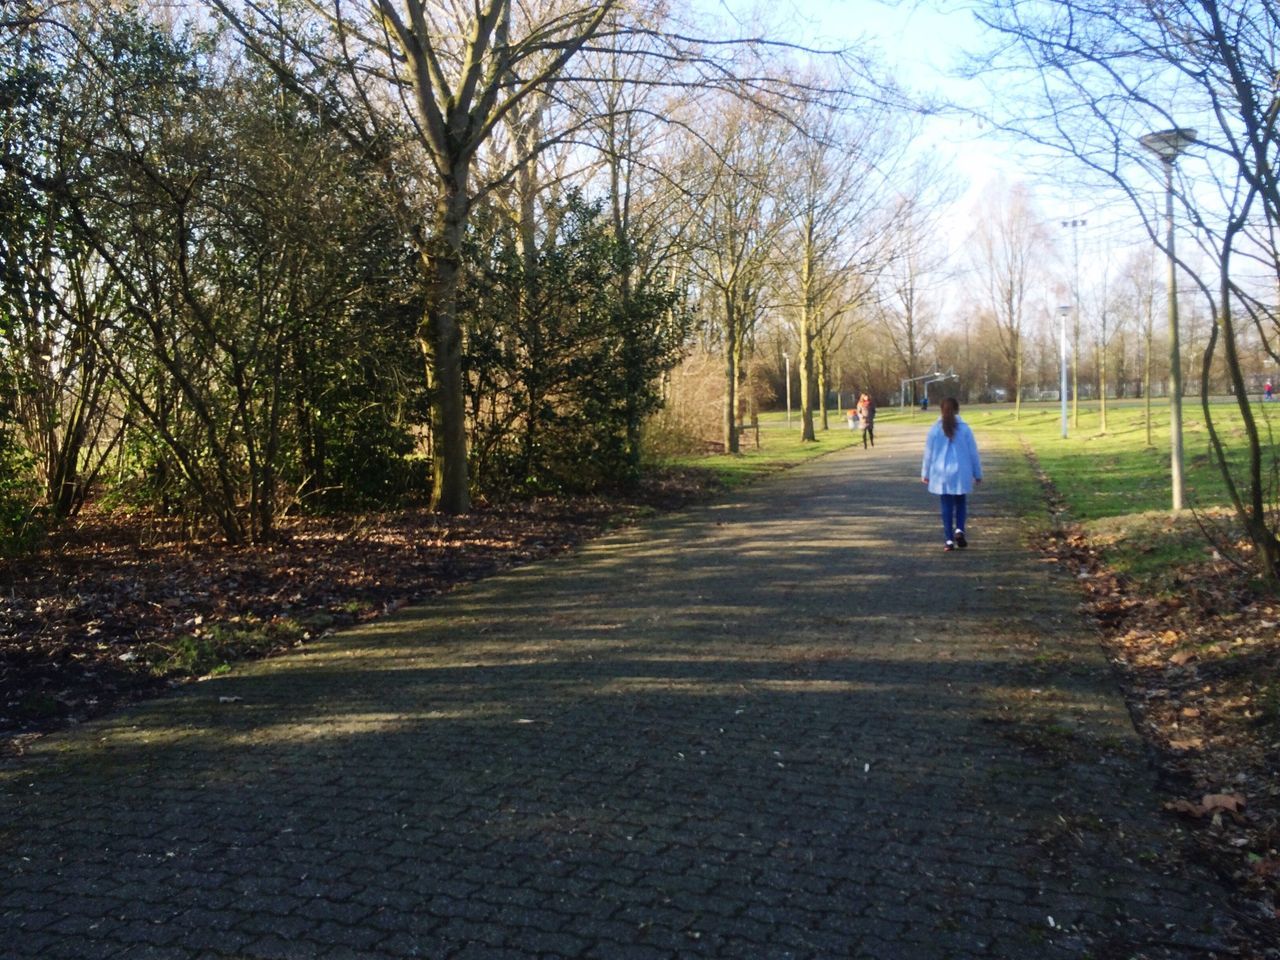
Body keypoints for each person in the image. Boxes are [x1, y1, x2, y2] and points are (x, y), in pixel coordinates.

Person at [921, 397, 982, 552]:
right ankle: (959, 530)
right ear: (957, 409)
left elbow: (928, 453)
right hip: (961, 471)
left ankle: (948, 541)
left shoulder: (935, 429)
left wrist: (925, 473)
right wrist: (977, 473)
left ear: (941, 410)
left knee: (946, 505)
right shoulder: (965, 429)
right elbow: (973, 453)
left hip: (941, 473)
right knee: (961, 502)